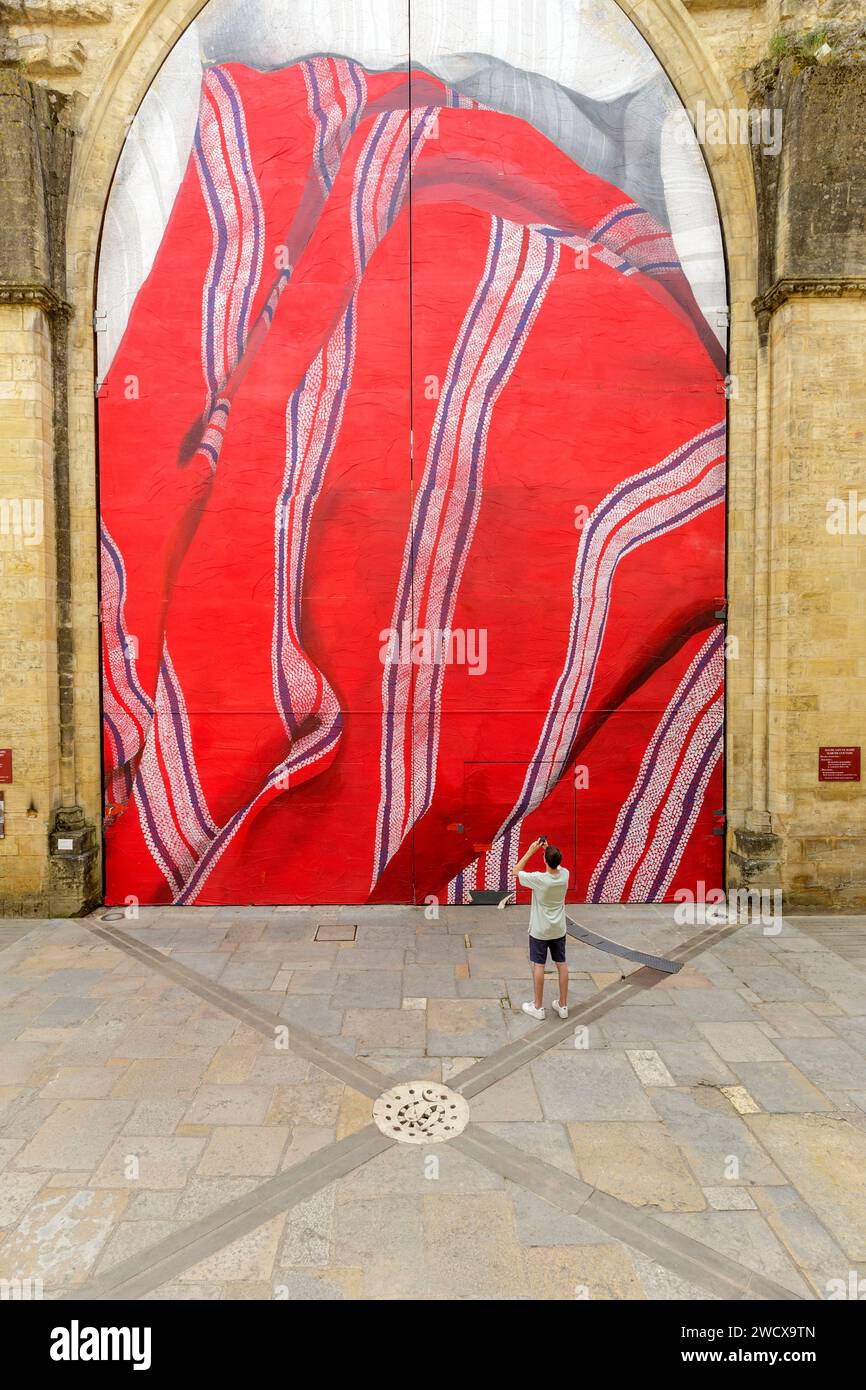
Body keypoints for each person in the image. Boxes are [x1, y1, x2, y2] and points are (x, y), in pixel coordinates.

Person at [515, 838, 569, 1020]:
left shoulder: (539, 879)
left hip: (540, 929)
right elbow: (557, 868)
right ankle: (563, 1005)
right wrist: (548, 850)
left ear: (545, 861)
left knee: (539, 965)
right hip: (558, 928)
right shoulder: (565, 875)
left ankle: (538, 1007)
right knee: (561, 964)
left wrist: (531, 851)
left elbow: (516, 871)